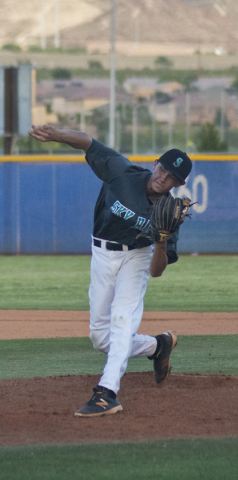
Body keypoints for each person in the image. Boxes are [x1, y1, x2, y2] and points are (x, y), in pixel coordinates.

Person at [28, 124, 192, 417]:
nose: (163, 178)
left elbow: (156, 271)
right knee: (100, 338)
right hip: (102, 253)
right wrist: (58, 135)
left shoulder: (170, 214)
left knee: (121, 321)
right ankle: (158, 346)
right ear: (155, 164)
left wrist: (162, 241)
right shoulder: (122, 172)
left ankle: (107, 393)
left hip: (139, 258)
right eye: (162, 169)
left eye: (171, 177)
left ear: (177, 184)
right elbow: (90, 143)